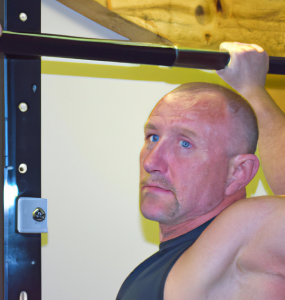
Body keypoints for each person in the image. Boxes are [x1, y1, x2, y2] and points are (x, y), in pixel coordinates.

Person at [116, 43, 285, 299]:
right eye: (152, 137)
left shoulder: (240, 236)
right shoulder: (164, 262)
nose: (151, 162)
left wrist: (252, 92)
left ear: (237, 173)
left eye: (185, 143)